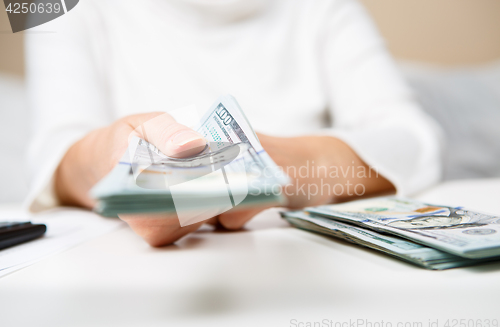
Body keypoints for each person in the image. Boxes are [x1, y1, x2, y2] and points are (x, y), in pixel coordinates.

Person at [25, 0, 442, 246]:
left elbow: (417, 139)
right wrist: (113, 158)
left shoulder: (326, 7)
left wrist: (280, 166)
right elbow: (54, 153)